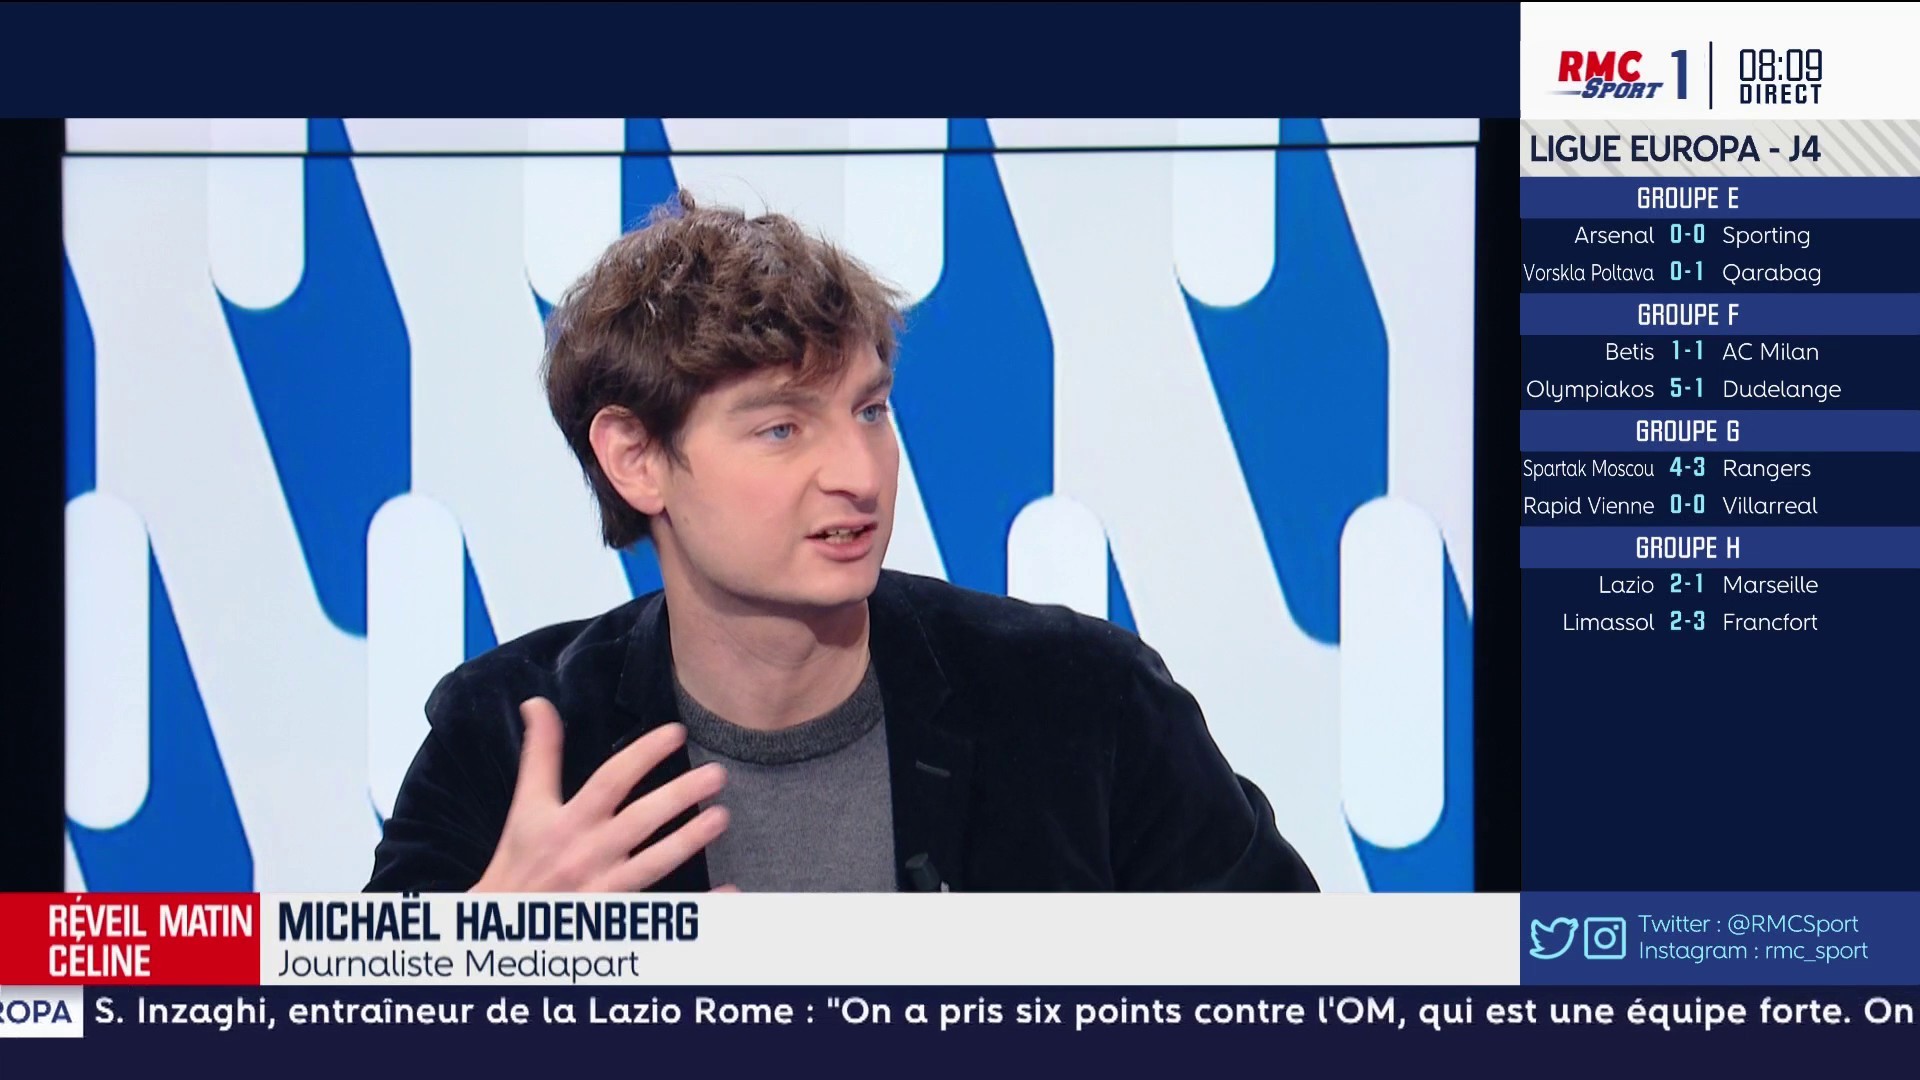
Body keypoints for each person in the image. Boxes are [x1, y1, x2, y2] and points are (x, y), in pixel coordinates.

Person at [366, 190, 1318, 894]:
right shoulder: (506, 742)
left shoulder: (1083, 705)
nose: (859, 473)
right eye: (782, 428)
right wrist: (488, 954)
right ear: (636, 458)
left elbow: (1313, 1003)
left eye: (869, 410)